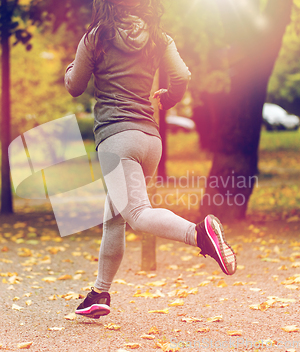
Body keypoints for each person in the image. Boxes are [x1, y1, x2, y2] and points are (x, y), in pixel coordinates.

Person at [64, 0, 237, 319]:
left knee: (137, 213)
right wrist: (169, 98)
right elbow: (182, 76)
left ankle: (199, 234)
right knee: (114, 216)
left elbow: (75, 86)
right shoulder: (159, 37)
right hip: (149, 139)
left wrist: (68, 72)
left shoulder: (97, 37)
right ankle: (99, 294)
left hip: (117, 139)